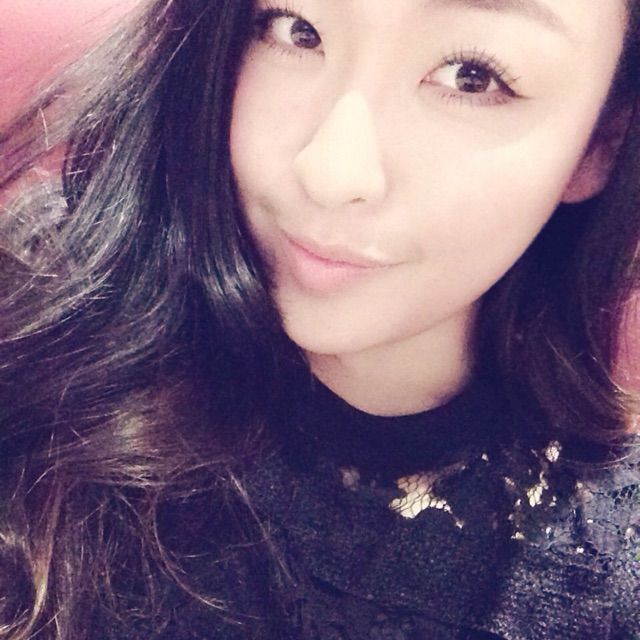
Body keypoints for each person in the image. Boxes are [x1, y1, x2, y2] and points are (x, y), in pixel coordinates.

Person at [0, 0, 639, 638]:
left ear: (600, 142)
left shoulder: (607, 573)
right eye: (298, 30)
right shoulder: (38, 325)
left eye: (472, 76)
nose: (331, 172)